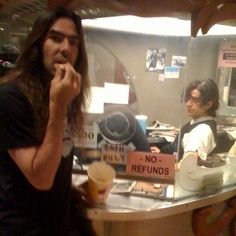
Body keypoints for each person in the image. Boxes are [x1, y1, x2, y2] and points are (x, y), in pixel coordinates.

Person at [0, 7, 96, 236]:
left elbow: (55, 158)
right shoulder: (11, 97)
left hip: (57, 222)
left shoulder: (60, 92)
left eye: (74, 42)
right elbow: (41, 178)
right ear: (38, 44)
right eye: (55, 38)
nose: (66, 48)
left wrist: (65, 189)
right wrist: (59, 106)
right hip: (23, 228)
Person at [151, 79, 219, 161]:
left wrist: (164, 162)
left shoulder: (202, 130)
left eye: (195, 100)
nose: (188, 104)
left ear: (208, 104)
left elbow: (188, 165)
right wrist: (161, 154)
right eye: (188, 99)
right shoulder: (197, 122)